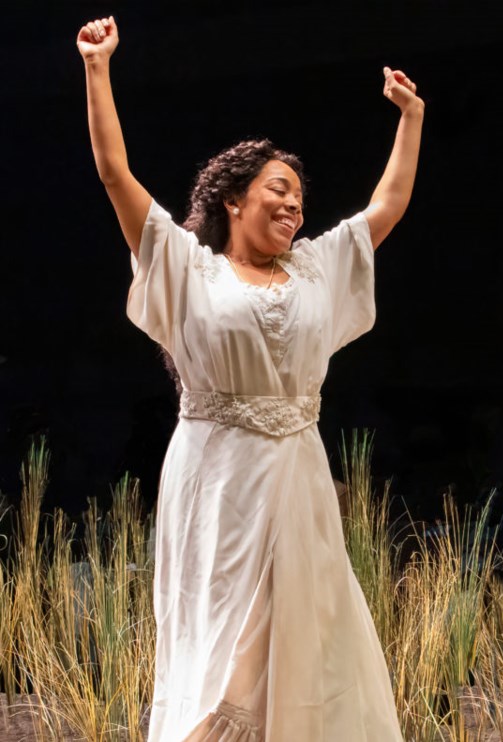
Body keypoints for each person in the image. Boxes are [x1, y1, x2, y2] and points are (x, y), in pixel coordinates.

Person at [77, 16, 422, 741]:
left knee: (305, 634)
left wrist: (412, 118)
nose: (295, 204)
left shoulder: (316, 269)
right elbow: (115, 173)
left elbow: (385, 208)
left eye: (300, 195)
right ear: (235, 198)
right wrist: (98, 68)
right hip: (217, 479)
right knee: (222, 634)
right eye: (278, 189)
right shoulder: (187, 268)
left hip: (296, 477)